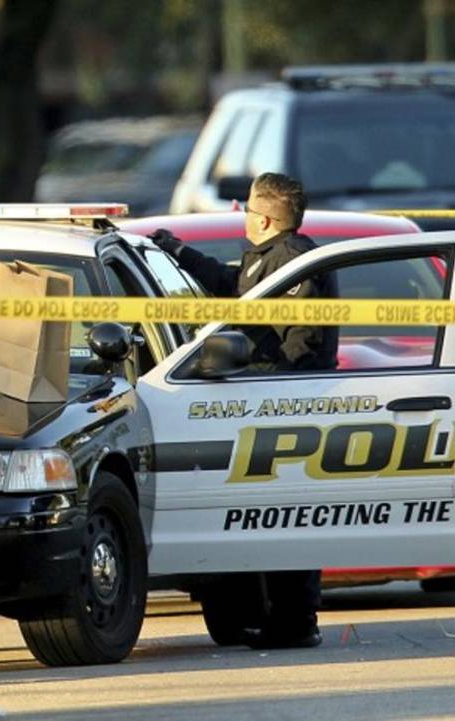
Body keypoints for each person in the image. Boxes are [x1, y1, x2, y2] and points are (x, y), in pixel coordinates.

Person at [148, 171, 333, 650]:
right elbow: (235, 288)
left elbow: (304, 345)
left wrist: (274, 392)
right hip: (261, 404)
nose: (243, 216)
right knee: (263, 518)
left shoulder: (293, 261)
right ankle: (266, 618)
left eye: (248, 209)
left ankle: (296, 622)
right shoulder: (268, 257)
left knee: (287, 519)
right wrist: (180, 252)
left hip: (286, 408)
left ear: (266, 219)